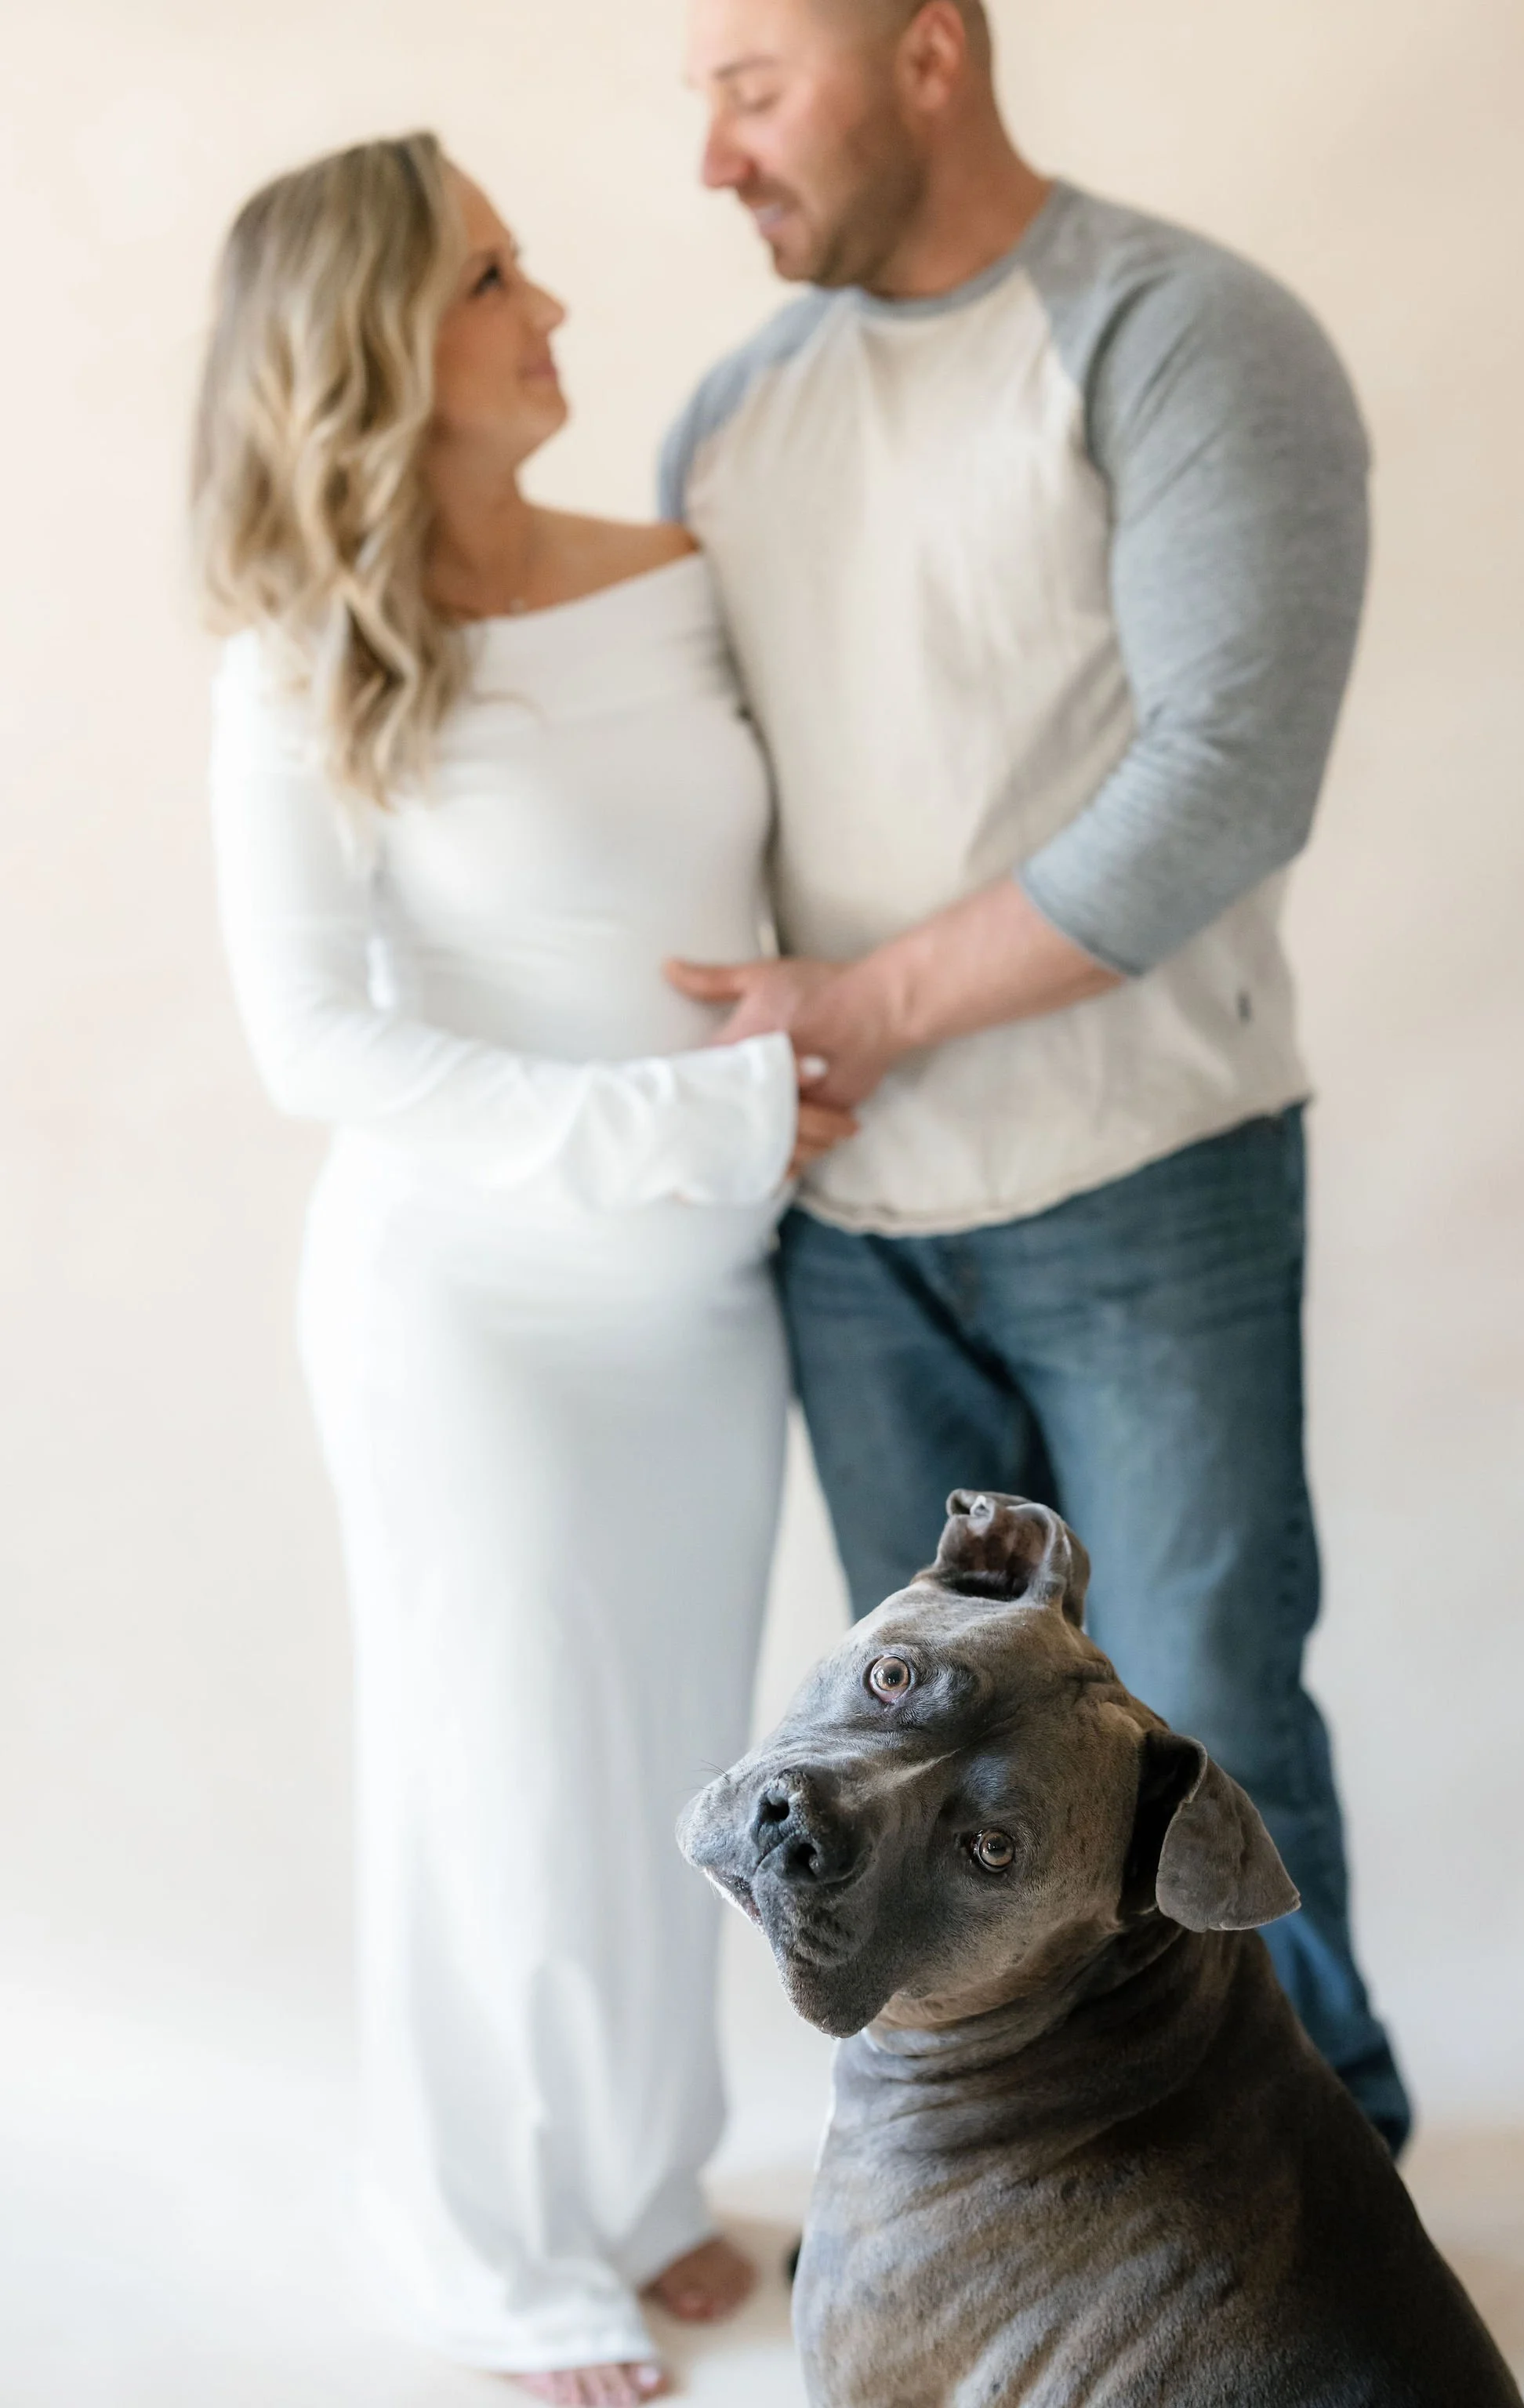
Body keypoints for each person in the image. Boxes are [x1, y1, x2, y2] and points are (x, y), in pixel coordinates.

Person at [662, 0, 1411, 2151]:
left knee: (1206, 1733)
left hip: (1148, 1188)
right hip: (848, 1237)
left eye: (752, 86)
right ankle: (992, 2209)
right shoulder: (731, 414)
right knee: (910, 1797)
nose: (712, 157)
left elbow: (1225, 788)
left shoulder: (1179, 333)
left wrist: (861, 1011)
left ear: (930, 55)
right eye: (693, 96)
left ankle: (1310, 2195)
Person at [195, 132, 854, 2406]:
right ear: (380, 340)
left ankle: (648, 2177)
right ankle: (491, 2253)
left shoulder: (673, 570)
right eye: (494, 274)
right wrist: (694, 1117)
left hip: (704, 1300)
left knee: (677, 1753)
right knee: (496, 1777)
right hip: (472, 1312)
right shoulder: (305, 658)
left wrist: (787, 1092)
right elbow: (318, 1042)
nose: (555, 305)